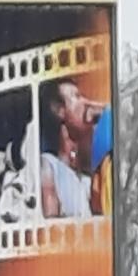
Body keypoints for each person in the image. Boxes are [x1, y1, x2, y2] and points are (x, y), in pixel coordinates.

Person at [39, 78, 106, 218]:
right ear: (59, 111)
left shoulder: (87, 178)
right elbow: (51, 221)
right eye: (76, 96)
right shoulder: (48, 165)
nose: (84, 102)